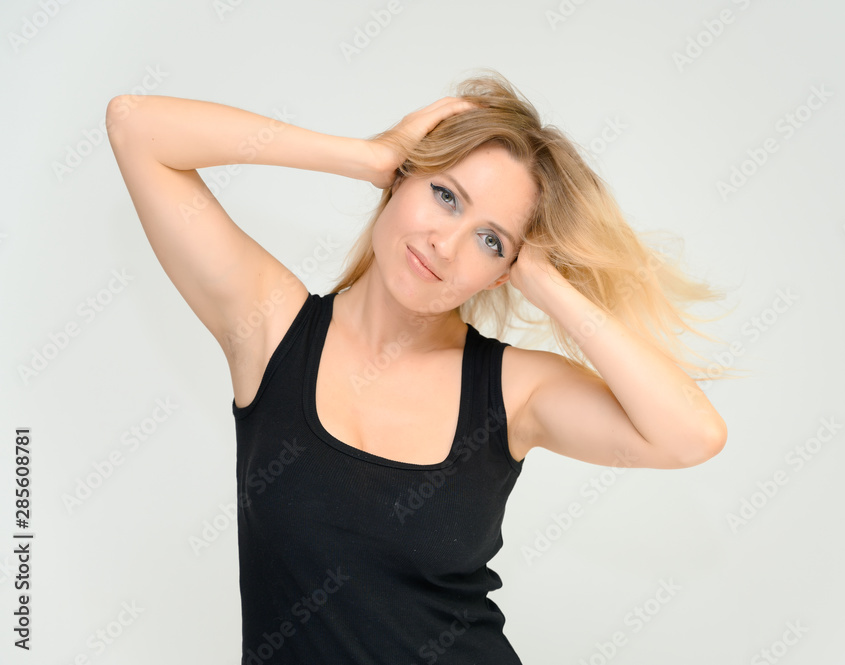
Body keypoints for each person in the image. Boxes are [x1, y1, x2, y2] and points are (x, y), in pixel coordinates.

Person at [106, 69, 731, 664]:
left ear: (505, 270)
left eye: (492, 241)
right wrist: (367, 156)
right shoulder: (272, 331)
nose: (446, 244)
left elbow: (691, 435)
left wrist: (548, 284)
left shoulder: (512, 391)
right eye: (445, 195)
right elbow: (135, 126)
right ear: (402, 179)